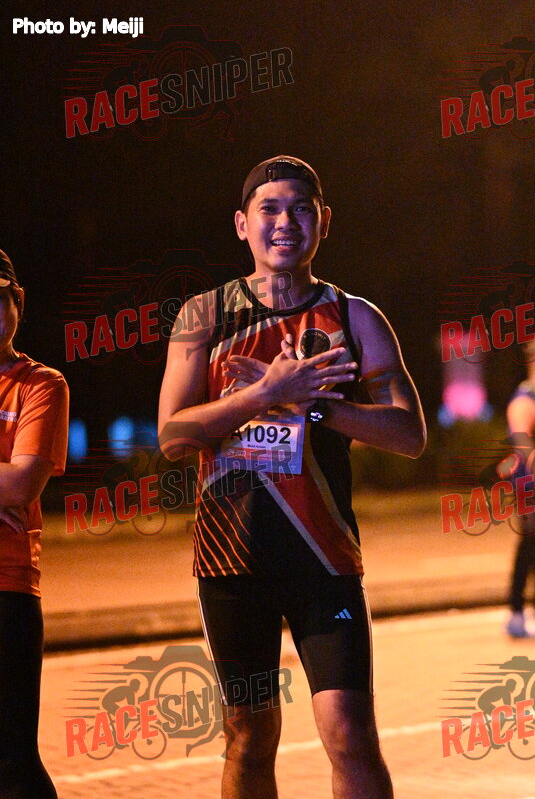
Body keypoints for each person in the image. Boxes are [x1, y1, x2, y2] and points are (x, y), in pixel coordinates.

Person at [158, 156, 426, 799]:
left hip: (324, 561)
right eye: (270, 209)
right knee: (250, 736)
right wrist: (263, 394)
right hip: (232, 561)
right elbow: (172, 436)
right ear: (241, 224)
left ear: (324, 221)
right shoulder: (204, 316)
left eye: (301, 209)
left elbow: (409, 435)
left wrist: (314, 405)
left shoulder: (355, 317)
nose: (285, 222)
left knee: (349, 734)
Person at [0, 250, 69, 798]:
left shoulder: (41, 384)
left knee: (13, 762)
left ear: (17, 302)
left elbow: (21, 485)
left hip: (8, 587)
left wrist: (10, 484)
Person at [505, 345, 535, 638]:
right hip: (530, 488)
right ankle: (515, 612)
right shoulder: (524, 401)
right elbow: (524, 445)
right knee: (528, 548)